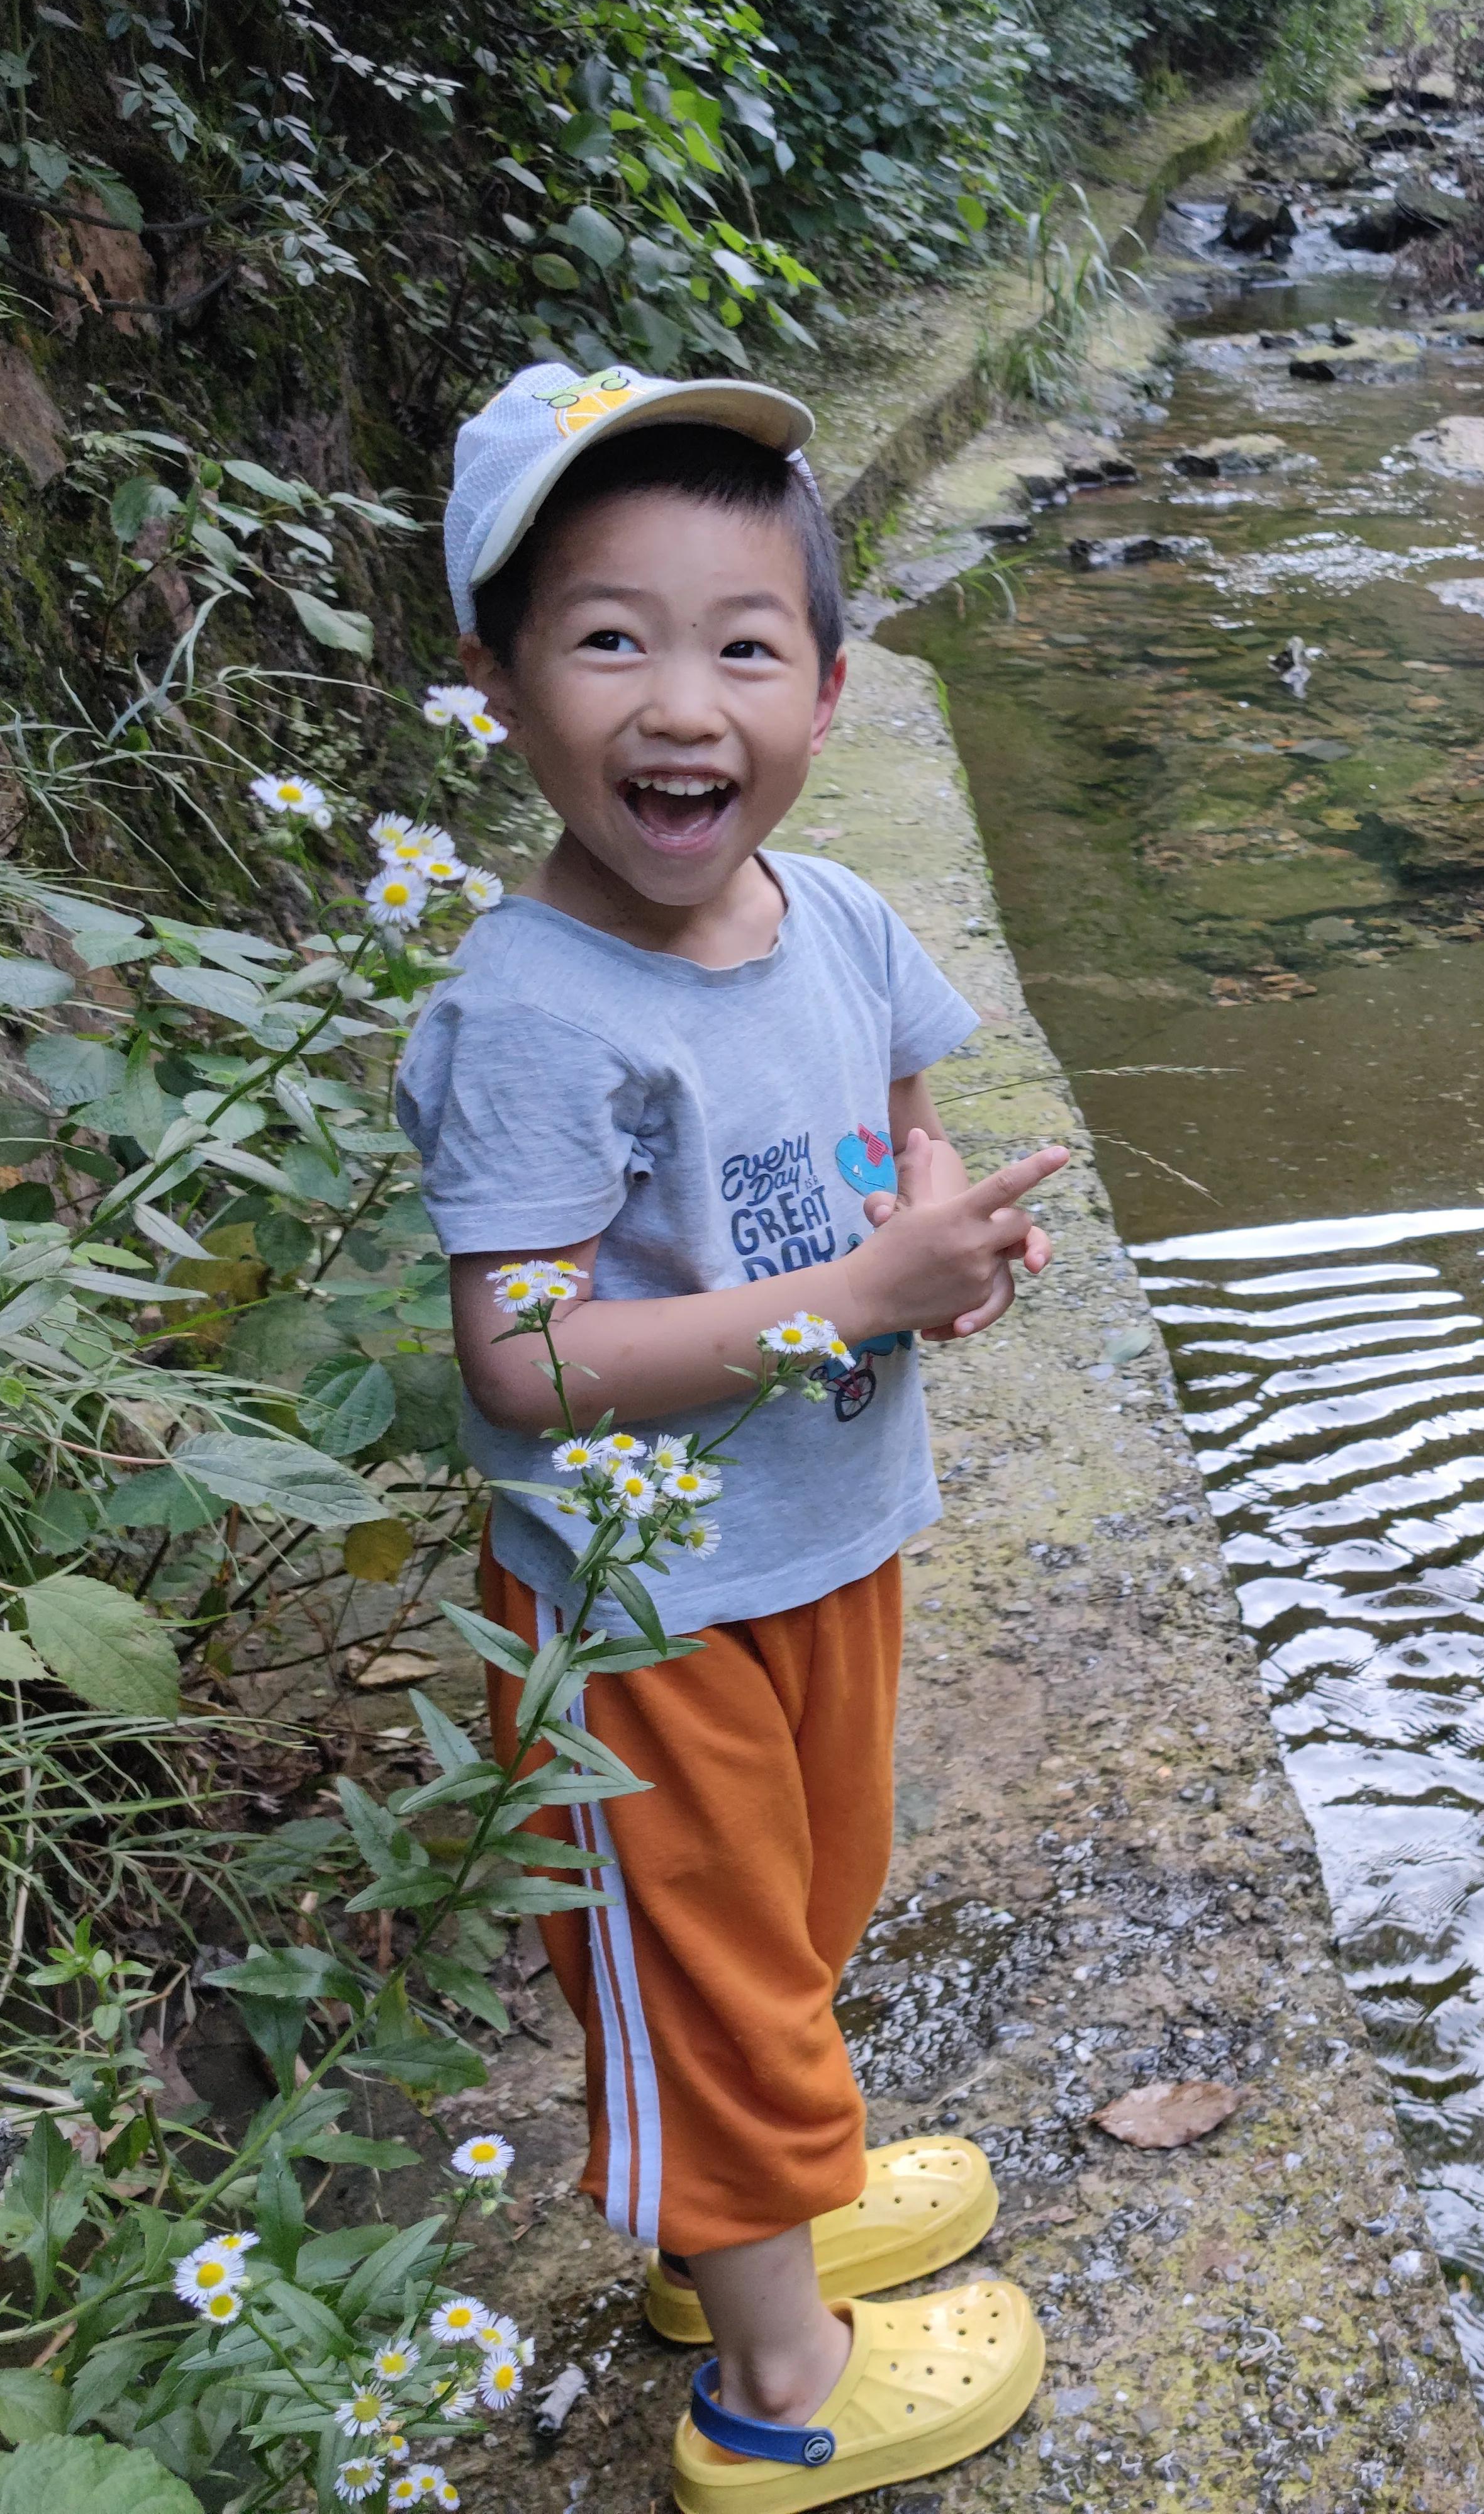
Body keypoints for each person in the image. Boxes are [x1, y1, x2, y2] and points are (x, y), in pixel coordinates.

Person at [395, 364, 1069, 2512]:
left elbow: (901, 1120)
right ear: (500, 685)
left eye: (743, 644)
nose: (683, 702)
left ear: (834, 688)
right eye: (609, 638)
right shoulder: (529, 1009)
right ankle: (775, 2389)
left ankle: (741, 2213)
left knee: (803, 1907)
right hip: (635, 1606)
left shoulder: (844, 921)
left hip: (829, 1533)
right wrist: (854, 1299)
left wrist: (933, 1226)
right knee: (703, 1962)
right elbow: (524, 1355)